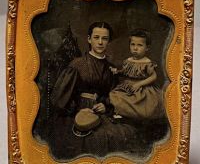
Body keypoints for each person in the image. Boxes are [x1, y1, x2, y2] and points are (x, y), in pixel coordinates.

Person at [47, 22, 142, 160]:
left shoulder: (112, 68)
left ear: (108, 41)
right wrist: (76, 111)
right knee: (96, 138)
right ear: (89, 39)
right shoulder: (78, 64)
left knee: (126, 133)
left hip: (102, 114)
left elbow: (115, 94)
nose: (100, 42)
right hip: (77, 114)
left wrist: (106, 105)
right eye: (96, 37)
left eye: (104, 38)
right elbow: (60, 97)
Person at [109, 29, 164, 119]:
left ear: (147, 48)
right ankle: (122, 113)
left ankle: (134, 115)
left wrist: (139, 84)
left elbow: (153, 76)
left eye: (140, 45)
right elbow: (125, 72)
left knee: (145, 105)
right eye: (132, 44)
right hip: (127, 87)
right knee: (117, 96)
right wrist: (117, 71)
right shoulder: (128, 60)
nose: (135, 48)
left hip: (142, 88)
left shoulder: (147, 62)